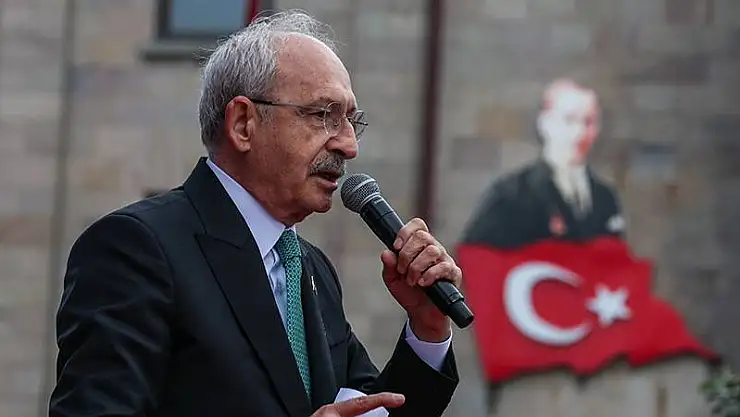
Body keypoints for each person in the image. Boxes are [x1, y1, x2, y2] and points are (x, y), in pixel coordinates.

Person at [48, 10, 460, 417]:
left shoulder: (311, 269)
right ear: (243, 123)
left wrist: (426, 328)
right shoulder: (136, 249)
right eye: (323, 116)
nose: (349, 146)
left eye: (352, 121)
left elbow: (370, 409)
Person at [460, 78, 625, 250]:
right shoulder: (512, 194)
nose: (579, 133)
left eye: (588, 122)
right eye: (569, 120)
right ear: (545, 123)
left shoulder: (605, 198)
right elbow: (474, 254)